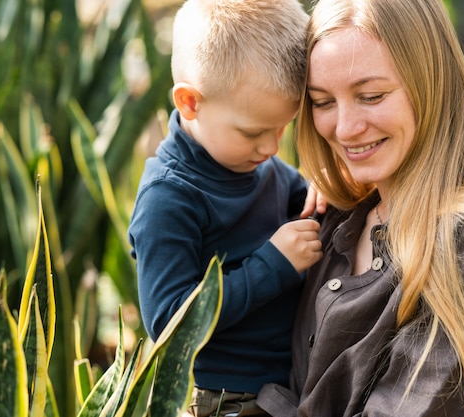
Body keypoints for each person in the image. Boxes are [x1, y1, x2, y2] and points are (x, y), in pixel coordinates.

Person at [256, 0, 464, 416]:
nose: (344, 128)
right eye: (323, 102)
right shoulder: (338, 215)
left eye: (371, 96)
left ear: (430, 83)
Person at [128, 1, 324, 415]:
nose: (272, 148)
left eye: (282, 128)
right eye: (254, 132)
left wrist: (322, 187)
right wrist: (272, 265)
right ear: (190, 103)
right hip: (226, 400)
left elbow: (302, 199)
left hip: (288, 386)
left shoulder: (250, 159)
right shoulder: (169, 199)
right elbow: (169, 322)